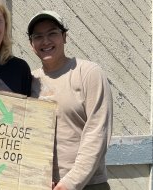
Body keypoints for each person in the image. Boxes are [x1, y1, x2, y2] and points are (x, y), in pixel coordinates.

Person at [27, 10, 113, 190]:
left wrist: (70, 183)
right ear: (31, 44)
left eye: (52, 33)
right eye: (38, 36)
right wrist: (36, 176)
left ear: (64, 37)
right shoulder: (30, 80)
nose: (46, 41)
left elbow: (97, 132)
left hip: (89, 184)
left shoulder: (88, 73)